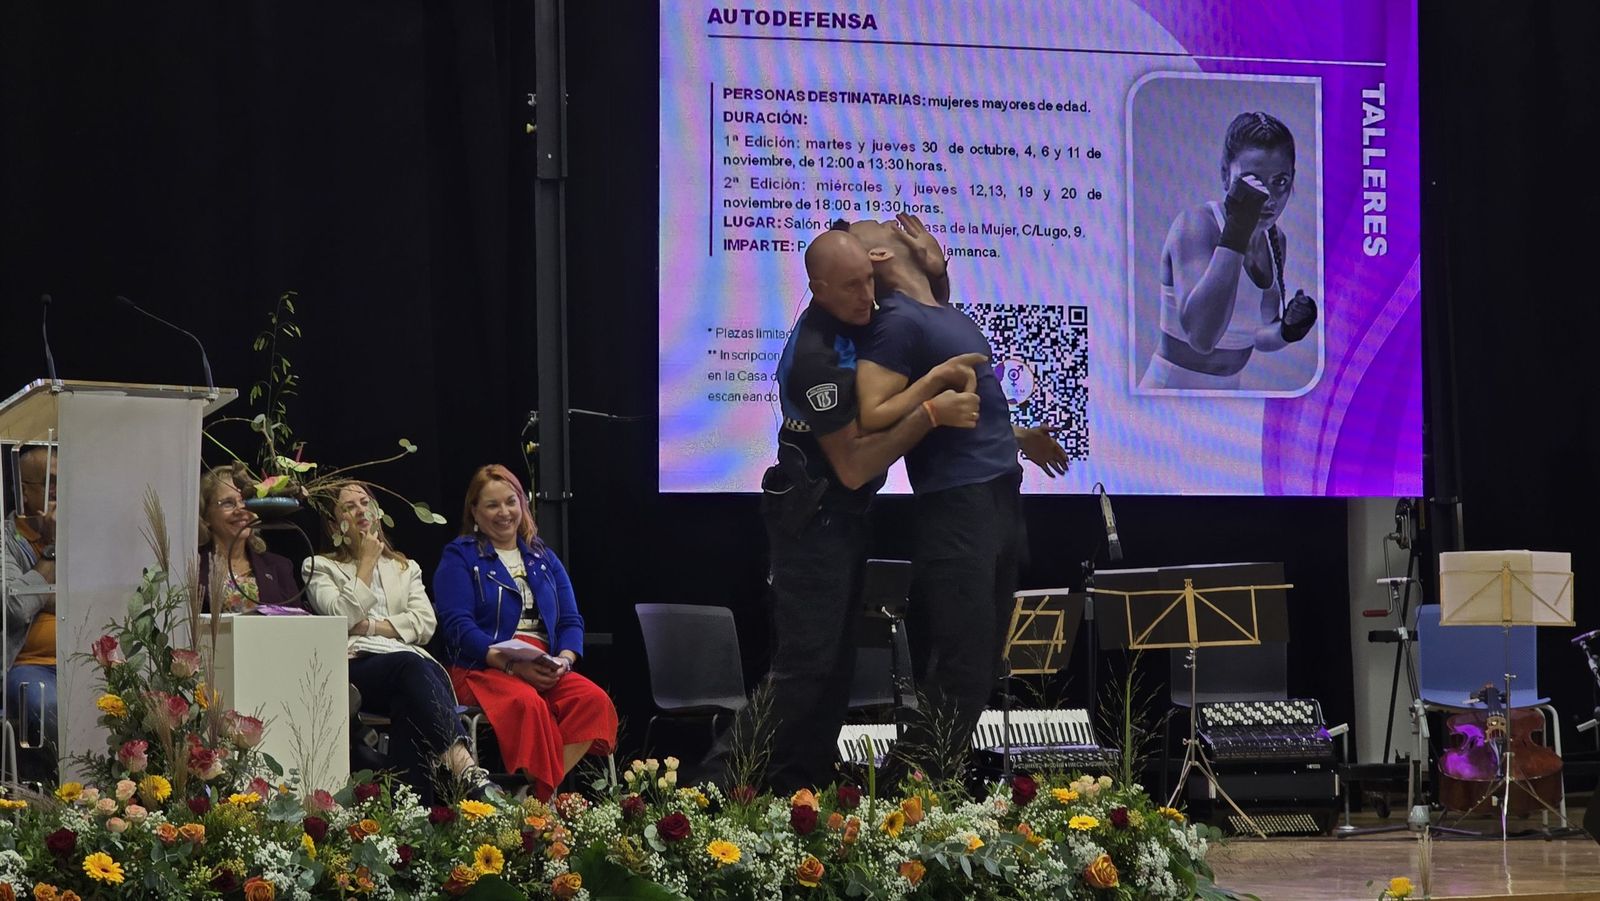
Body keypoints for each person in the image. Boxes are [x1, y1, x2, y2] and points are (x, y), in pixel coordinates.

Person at [707, 224, 986, 794]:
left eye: (869, 281)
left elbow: (929, 323)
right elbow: (855, 465)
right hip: (812, 521)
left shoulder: (862, 308)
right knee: (804, 668)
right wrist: (930, 415)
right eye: (853, 287)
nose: (868, 297)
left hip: (847, 517)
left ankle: (800, 791)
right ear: (818, 288)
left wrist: (937, 274)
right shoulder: (815, 357)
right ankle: (709, 788)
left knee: (834, 672)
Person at [850, 213, 1070, 777]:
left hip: (996, 498)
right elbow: (873, 413)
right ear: (878, 255)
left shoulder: (938, 312)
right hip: (957, 508)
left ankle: (917, 796)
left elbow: (966, 410)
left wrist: (1016, 436)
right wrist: (928, 405)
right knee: (962, 669)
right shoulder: (896, 322)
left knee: (980, 669)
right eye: (882, 225)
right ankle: (900, 796)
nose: (897, 223)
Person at [432, 464, 617, 801]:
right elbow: (457, 627)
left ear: (523, 503)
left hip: (543, 663)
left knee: (593, 701)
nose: (504, 512)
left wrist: (563, 661)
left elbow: (570, 621)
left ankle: (529, 800)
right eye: (492, 505)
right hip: (482, 665)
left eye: (511, 501)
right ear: (474, 511)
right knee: (528, 704)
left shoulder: (543, 556)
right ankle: (539, 805)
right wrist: (511, 666)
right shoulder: (459, 555)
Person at [303, 482, 494, 802]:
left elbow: (425, 623)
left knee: (411, 700)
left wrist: (370, 625)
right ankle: (466, 769)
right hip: (356, 666)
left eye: (365, 502)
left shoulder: (405, 568)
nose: (361, 510)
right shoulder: (319, 567)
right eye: (349, 507)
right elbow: (341, 618)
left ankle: (413, 812)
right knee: (411, 666)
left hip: (409, 669)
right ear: (335, 526)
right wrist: (366, 563)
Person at [1140, 111, 1318, 390]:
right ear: (1226, 176)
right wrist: (1238, 229)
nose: (1268, 197)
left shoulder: (1276, 240)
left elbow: (1255, 336)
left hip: (1229, 395)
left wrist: (1289, 329)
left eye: (1280, 181)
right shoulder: (1197, 225)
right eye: (1252, 182)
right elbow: (1201, 337)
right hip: (1170, 393)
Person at [2, 446, 59, 778]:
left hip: (85, 661)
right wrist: (52, 549)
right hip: (28, 666)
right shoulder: (5, 539)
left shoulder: (85, 534)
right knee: (45, 704)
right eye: (52, 485)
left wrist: (40, 595)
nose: (61, 494)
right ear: (24, 491)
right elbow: (15, 608)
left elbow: (89, 598)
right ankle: (60, 796)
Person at [197, 464, 299, 612]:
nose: (241, 509)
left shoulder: (279, 567)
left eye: (246, 500)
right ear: (206, 516)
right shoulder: (193, 567)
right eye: (228, 503)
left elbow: (298, 622)